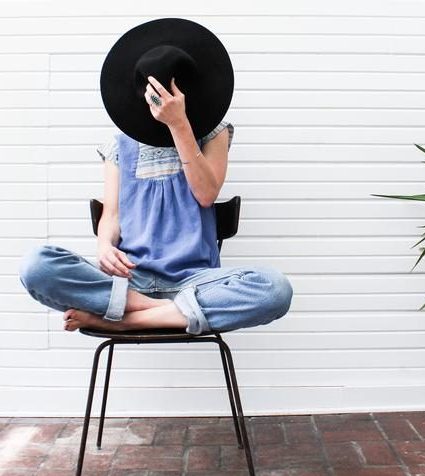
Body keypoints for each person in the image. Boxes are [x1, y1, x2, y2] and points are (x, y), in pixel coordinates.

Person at [18, 19, 293, 336]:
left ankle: (125, 319)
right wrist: (104, 245)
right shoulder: (120, 143)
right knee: (36, 265)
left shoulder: (213, 133)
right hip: (130, 281)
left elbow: (205, 194)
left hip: (195, 281)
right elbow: (112, 215)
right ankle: (157, 310)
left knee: (275, 288)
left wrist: (179, 125)